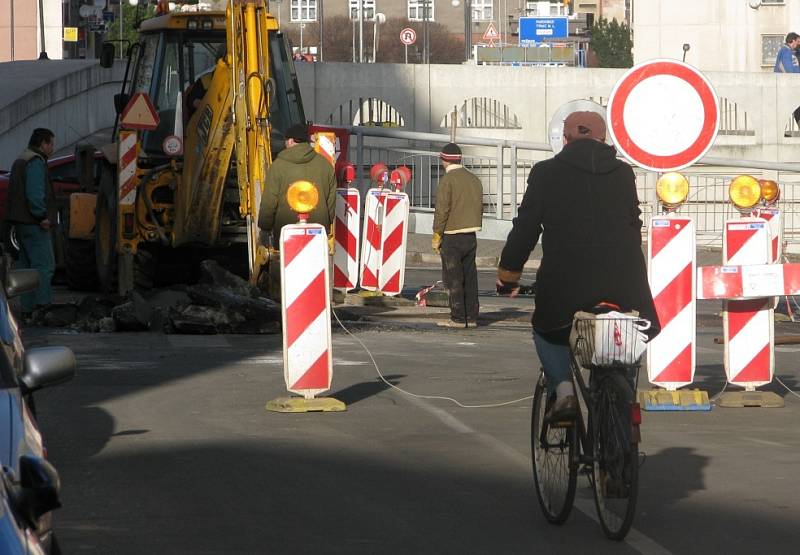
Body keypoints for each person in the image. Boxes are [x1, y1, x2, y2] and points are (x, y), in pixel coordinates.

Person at [496, 111, 660, 421]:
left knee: (546, 331)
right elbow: (632, 224)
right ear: (604, 140)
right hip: (625, 284)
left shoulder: (546, 172)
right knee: (622, 332)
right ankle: (620, 396)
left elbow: (526, 228)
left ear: (565, 139)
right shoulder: (624, 174)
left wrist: (509, 275)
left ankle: (565, 393)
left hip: (566, 286)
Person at [5, 128, 57, 320]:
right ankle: (42, 307)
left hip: (20, 224)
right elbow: (35, 194)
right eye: (51, 143)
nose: (52, 147)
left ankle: (26, 309)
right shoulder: (35, 162)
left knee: (26, 268)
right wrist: (42, 216)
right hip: (34, 223)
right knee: (44, 265)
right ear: (43, 143)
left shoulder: (21, 159)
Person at [432, 143, 484, 328]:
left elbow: (442, 210)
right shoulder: (473, 179)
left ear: (444, 160)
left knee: (454, 277)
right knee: (470, 276)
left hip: (451, 235)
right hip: (471, 234)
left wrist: (437, 234)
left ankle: (458, 318)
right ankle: (471, 316)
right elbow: (479, 206)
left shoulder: (447, 180)